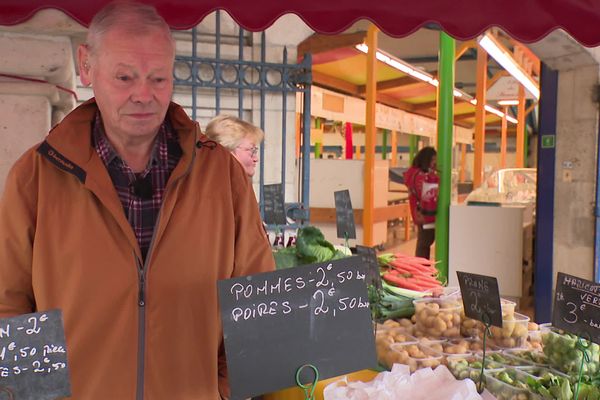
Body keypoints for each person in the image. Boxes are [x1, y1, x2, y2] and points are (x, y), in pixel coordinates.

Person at [0, 2, 274, 399]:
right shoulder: (36, 177)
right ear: (87, 66)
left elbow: (255, 294)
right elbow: (10, 303)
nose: (143, 95)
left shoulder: (222, 175)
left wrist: (221, 389)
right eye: (125, 77)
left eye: (159, 78)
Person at [404, 146, 439, 260]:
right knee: (424, 245)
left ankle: (422, 269)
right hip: (425, 214)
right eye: (433, 160)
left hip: (420, 213)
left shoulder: (413, 173)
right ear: (426, 159)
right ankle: (421, 271)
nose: (435, 163)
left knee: (424, 243)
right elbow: (428, 193)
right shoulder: (421, 176)